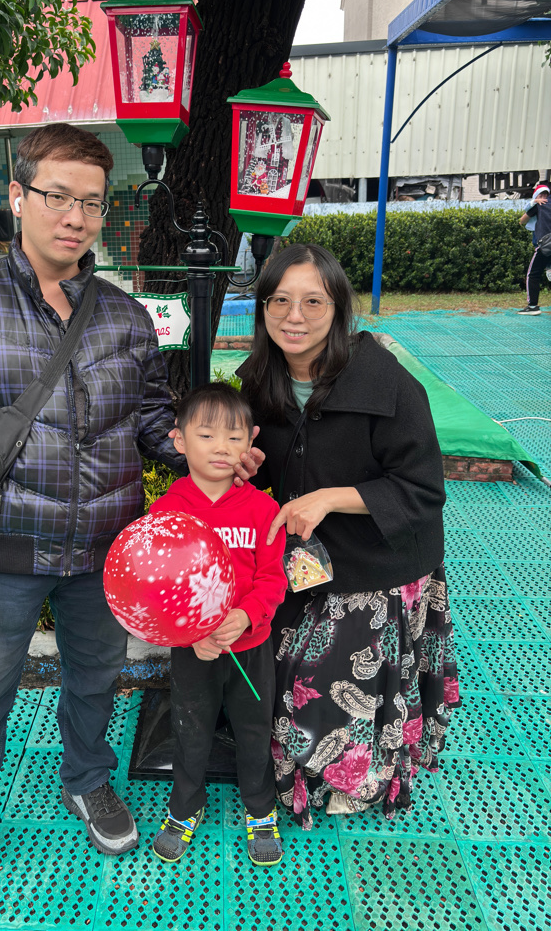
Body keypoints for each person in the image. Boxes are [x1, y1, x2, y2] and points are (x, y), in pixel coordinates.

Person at [0, 123, 261, 924]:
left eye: (92, 203)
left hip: (107, 550)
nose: (76, 217)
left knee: (96, 677)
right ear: (18, 197)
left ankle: (87, 781)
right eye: (58, 196)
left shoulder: (123, 316)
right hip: (1, 551)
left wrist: (211, 451)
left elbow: (152, 420)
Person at [238, 243, 458, 828]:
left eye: (313, 301)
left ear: (338, 309)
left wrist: (330, 498)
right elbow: (261, 466)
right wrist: (241, 465)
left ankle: (357, 779)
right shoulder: (257, 381)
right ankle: (296, 769)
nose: (294, 316)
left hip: (377, 566)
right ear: (262, 309)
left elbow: (422, 490)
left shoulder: (387, 384)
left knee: (334, 685)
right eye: (279, 301)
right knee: (282, 678)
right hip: (297, 564)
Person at [149, 383, 287, 866]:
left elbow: (273, 579)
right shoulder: (166, 513)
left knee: (254, 731)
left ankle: (261, 808)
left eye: (234, 437)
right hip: (194, 652)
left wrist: (246, 615)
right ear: (179, 440)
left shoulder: (263, 510)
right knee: (190, 730)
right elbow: (158, 589)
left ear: (250, 441)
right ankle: (186, 806)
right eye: (206, 435)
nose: (221, 447)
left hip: (252, 647)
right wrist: (192, 635)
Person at [518, 182, 550, 315]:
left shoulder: (538, 205)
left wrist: (534, 202)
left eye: (544, 195)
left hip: (545, 245)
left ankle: (532, 307)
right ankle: (549, 268)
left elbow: (522, 221)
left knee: (533, 274)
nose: (543, 198)